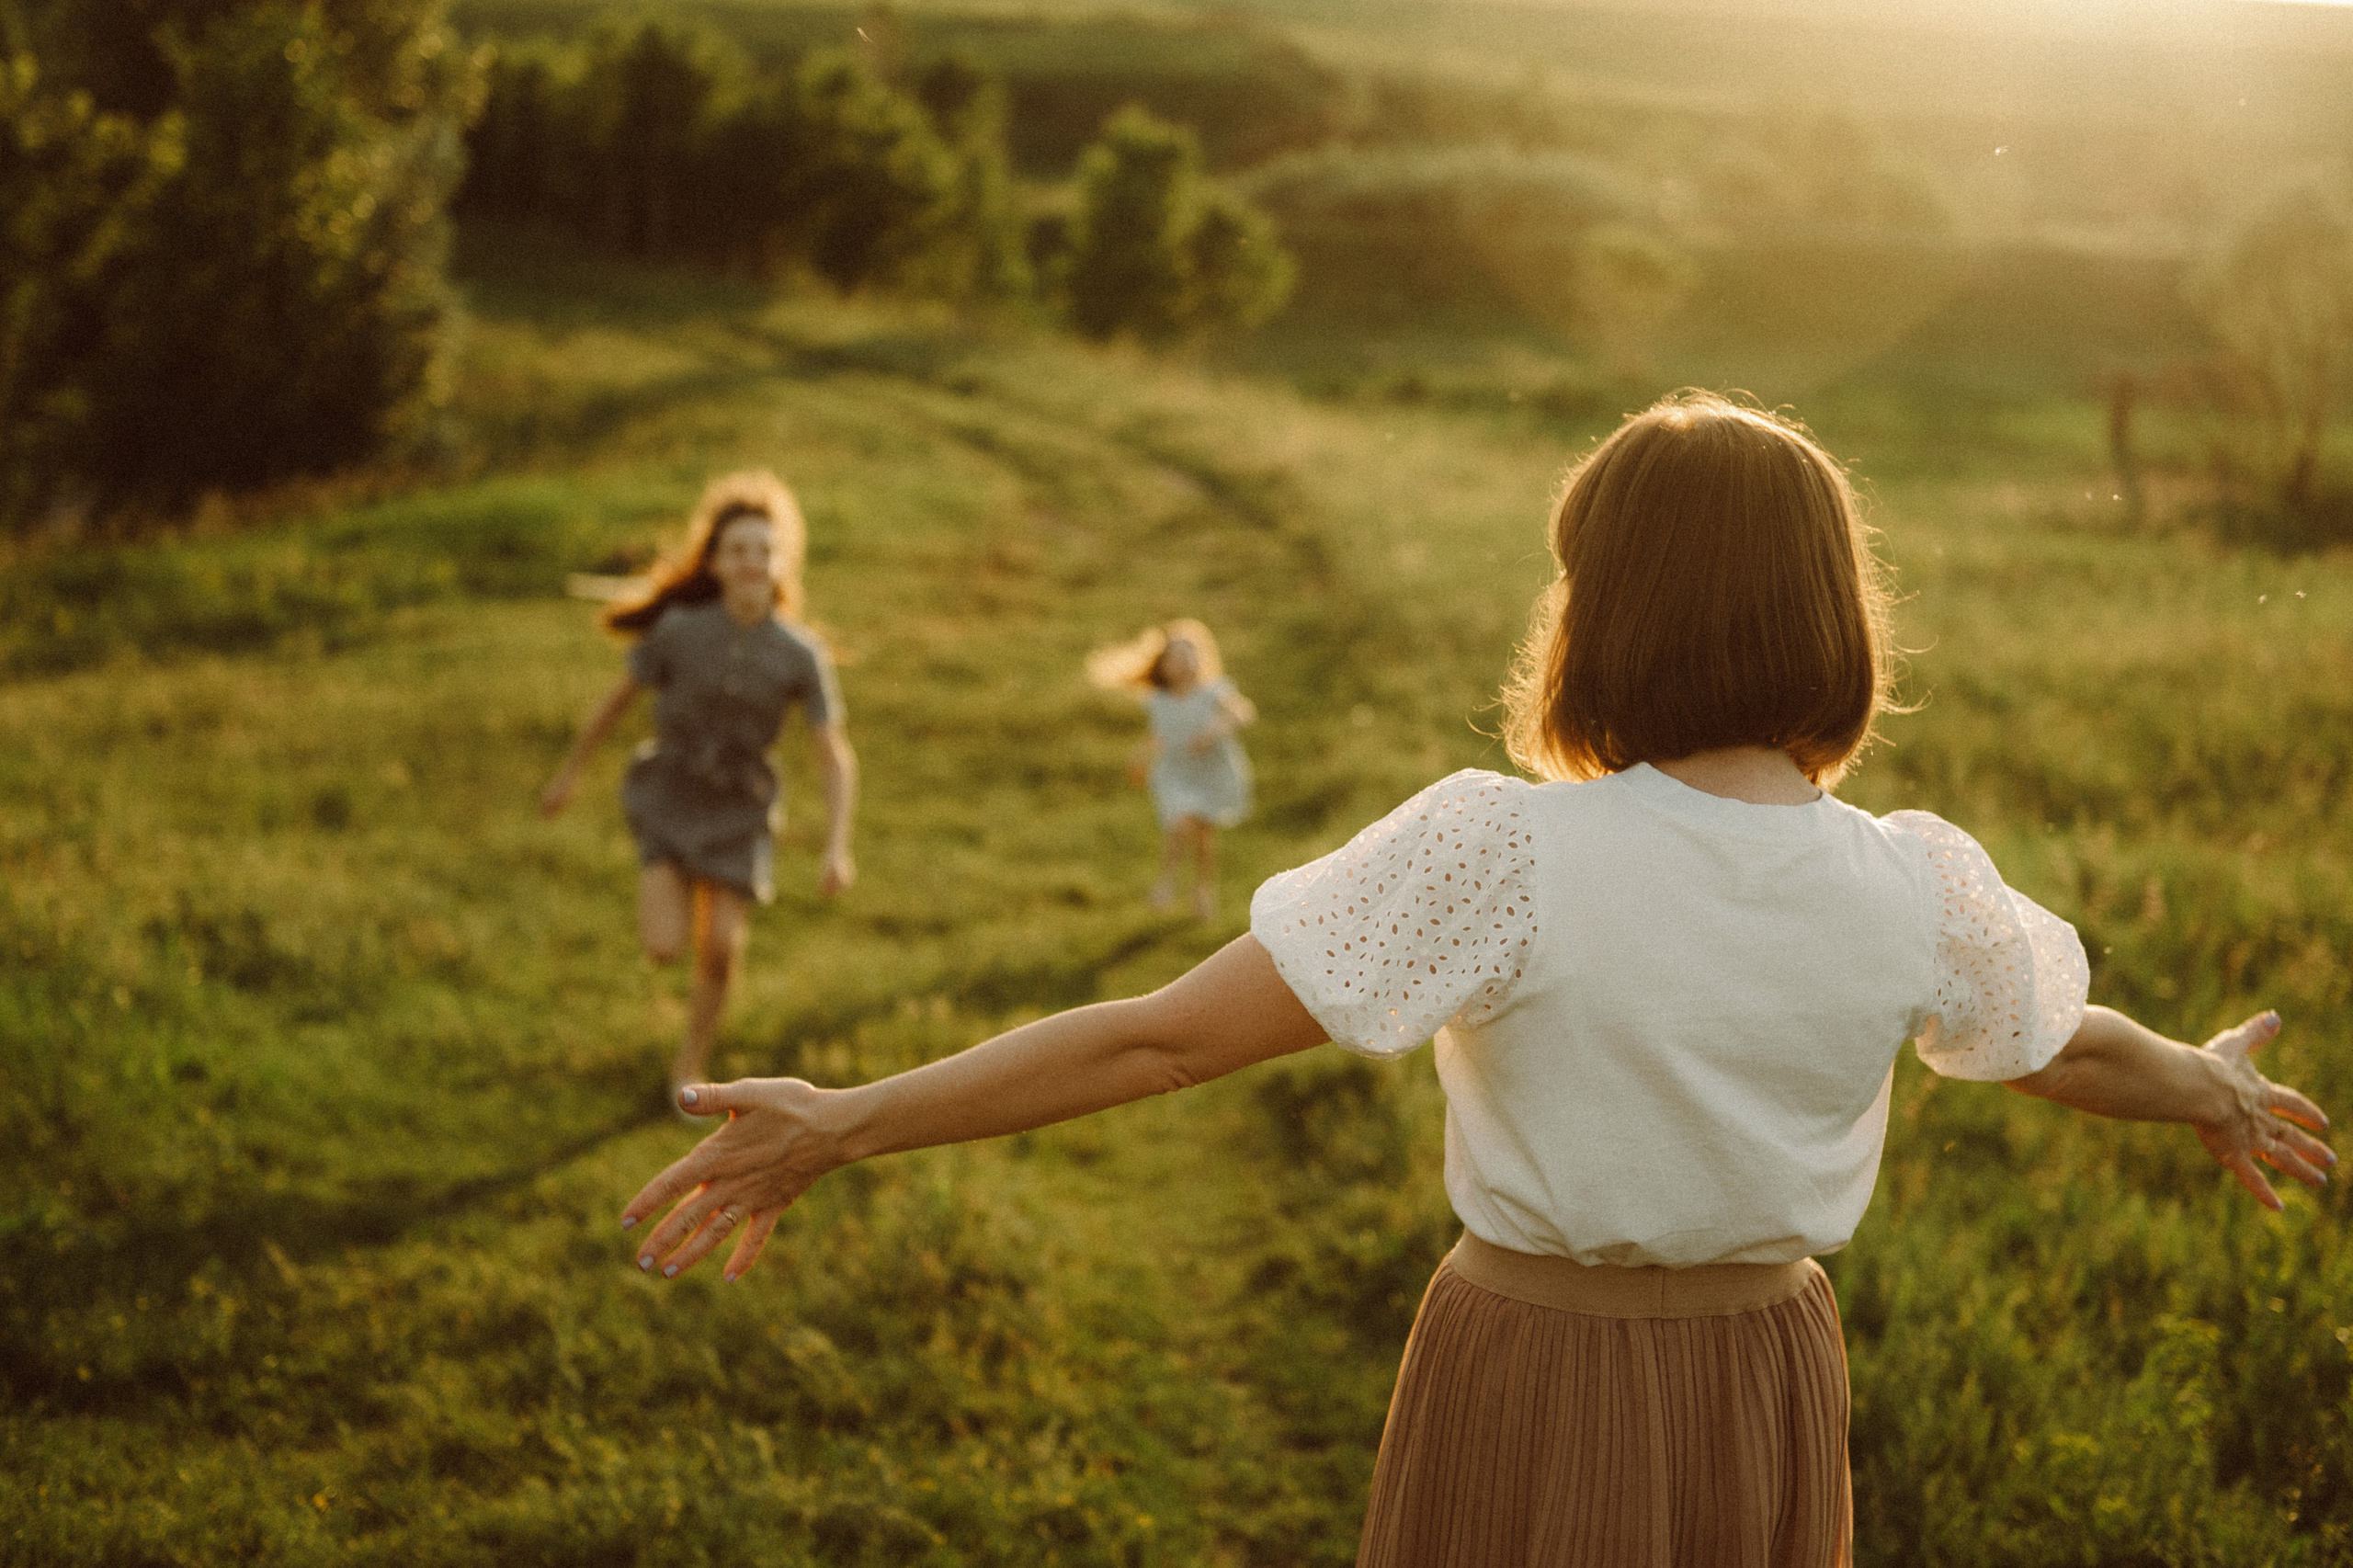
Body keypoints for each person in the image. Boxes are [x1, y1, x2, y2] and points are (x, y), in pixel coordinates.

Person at [620, 396, 2331, 1564]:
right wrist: (2210, 1083)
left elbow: (1156, 1044)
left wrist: (845, 1121)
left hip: (1534, 1362)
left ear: (1606, 617)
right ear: (1831, 616)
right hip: (1771, 1384)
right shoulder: (1909, 881)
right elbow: (2056, 1046)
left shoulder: (1505, 852)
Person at [540, 471, 856, 1103]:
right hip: (669, 795)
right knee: (663, 947)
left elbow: (833, 754)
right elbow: (616, 702)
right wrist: (570, 770)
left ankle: (689, 1066)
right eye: (738, 549)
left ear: (781, 562)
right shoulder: (679, 631)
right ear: (713, 561)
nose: (751, 561)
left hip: (741, 808)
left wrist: (836, 844)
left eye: (763, 550)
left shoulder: (801, 655)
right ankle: (670, 887)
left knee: (719, 947)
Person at [1085, 618, 1257, 919]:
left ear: (1202, 658)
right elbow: (1158, 735)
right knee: (1178, 824)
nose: (1184, 662)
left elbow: (1243, 713)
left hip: (1210, 772)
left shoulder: (1214, 691)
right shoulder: (1160, 701)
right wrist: (1139, 759)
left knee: (1202, 834)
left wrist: (1215, 730)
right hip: (1176, 773)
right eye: (1176, 657)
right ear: (1163, 665)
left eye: (1190, 654)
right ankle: (1166, 884)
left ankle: (1203, 889)